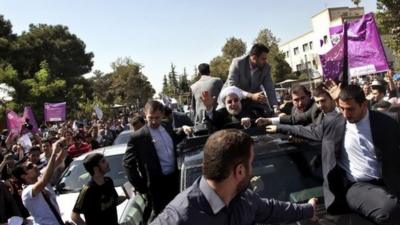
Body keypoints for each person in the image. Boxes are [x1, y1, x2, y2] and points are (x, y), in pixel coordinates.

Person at [266, 85, 400, 225]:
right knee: (389, 209)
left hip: (388, 182)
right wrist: (279, 127)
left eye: (350, 109)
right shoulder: (334, 122)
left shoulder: (387, 122)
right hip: (355, 186)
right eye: (342, 109)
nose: (346, 114)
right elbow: (308, 131)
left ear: (364, 104)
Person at [151, 129, 317, 225]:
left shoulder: (244, 199)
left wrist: (308, 210)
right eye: (251, 163)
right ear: (239, 171)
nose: (252, 171)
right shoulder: (178, 216)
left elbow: (271, 209)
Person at [123, 100, 185, 220]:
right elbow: (127, 164)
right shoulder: (138, 137)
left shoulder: (166, 126)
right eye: (150, 118)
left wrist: (184, 130)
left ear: (162, 115)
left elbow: (174, 138)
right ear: (144, 115)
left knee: (178, 213)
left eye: (157, 117)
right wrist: (142, 187)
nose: (154, 121)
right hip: (156, 187)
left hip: (175, 180)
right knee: (159, 217)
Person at [12, 138, 67, 225]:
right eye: (30, 166)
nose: (34, 165)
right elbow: (45, 180)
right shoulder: (26, 192)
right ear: (24, 176)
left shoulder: (40, 176)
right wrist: (53, 153)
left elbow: (59, 160)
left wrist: (63, 146)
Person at [71, 153, 126, 225]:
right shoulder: (88, 190)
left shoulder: (108, 181)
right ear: (95, 169)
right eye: (103, 162)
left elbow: (114, 201)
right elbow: (75, 216)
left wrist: (127, 194)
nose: (107, 163)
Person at [224, 43, 278, 114]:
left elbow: (269, 87)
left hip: (253, 101)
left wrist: (275, 106)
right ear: (254, 58)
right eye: (263, 59)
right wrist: (251, 96)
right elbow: (233, 88)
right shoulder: (237, 63)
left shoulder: (266, 67)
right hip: (233, 100)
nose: (265, 62)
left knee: (266, 113)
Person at [256, 85, 321, 126]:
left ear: (309, 96)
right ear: (292, 100)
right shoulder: (294, 109)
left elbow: (296, 120)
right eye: (296, 100)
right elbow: (292, 122)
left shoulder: (316, 107)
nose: (300, 102)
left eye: (303, 98)